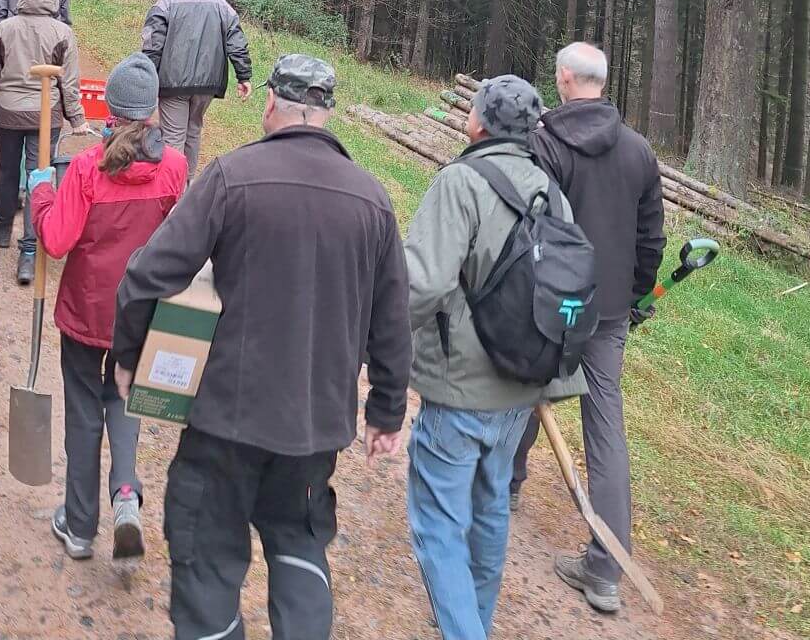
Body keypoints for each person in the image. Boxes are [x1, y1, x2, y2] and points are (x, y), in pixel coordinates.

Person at [113, 54, 411, 640]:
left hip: (226, 420)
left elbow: (147, 275)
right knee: (300, 544)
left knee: (206, 555)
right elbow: (392, 317)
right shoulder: (373, 201)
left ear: (271, 103)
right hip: (313, 428)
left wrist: (129, 358)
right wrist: (386, 411)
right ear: (325, 114)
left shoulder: (231, 177)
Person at [405, 75, 587, 640]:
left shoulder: (460, 181)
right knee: (489, 511)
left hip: (463, 387)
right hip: (523, 387)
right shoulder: (552, 192)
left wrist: (376, 336)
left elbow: (424, 283)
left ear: (477, 121)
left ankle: (464, 630)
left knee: (437, 520)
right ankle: (471, 620)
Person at [511, 42, 665, 615]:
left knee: (528, 383)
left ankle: (504, 486)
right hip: (605, 312)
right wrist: (634, 295)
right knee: (605, 424)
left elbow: (532, 225)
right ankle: (605, 569)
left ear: (564, 79)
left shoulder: (545, 142)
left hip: (556, 303)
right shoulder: (639, 151)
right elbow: (651, 237)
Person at [29, 53, 187, 563]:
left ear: (110, 110)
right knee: (124, 402)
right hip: (140, 317)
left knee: (82, 412)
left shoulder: (85, 169)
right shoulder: (175, 168)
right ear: (153, 110)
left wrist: (40, 195)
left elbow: (55, 240)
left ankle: (79, 527)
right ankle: (125, 496)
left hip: (85, 313)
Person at [0, 0, 86, 286]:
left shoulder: (4, 28)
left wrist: (3, 85)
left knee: (8, 170)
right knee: (39, 176)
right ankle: (29, 252)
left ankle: (3, 228)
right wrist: (77, 119)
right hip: (44, 117)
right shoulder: (63, 33)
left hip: (8, 113)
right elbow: (70, 85)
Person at [140, 0, 252, 175]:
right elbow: (237, 43)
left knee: (173, 135)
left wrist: (148, 78)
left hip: (172, 83)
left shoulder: (166, 2)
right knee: (193, 131)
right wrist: (243, 76)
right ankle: (187, 184)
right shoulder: (222, 6)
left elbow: (152, 45)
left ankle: (173, 190)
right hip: (207, 85)